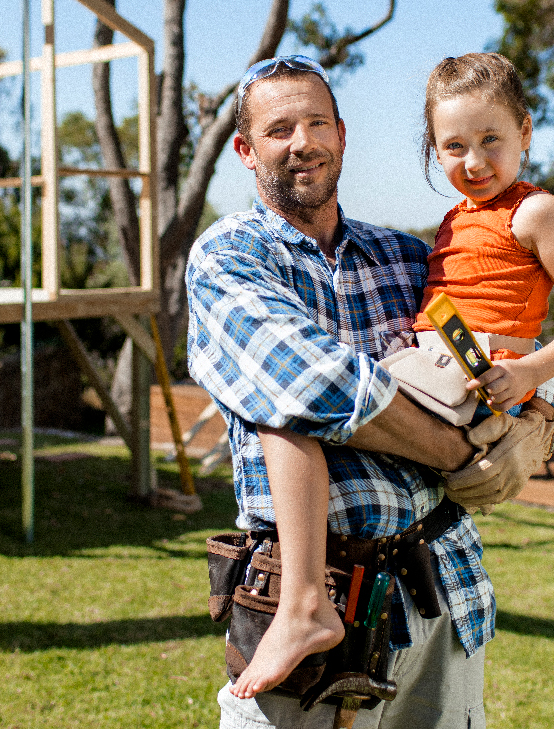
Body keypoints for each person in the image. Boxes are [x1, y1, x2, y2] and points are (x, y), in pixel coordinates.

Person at [227, 51, 554, 700]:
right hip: (442, 374)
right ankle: (303, 597)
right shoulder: (450, 225)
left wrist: (533, 384)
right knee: (298, 396)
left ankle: (301, 604)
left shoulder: (536, 212)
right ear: (435, 150)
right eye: (454, 145)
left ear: (526, 130)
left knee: (291, 406)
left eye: (492, 139)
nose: (474, 160)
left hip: (465, 383)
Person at [188, 55, 487, 727]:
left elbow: (496, 349)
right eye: (279, 128)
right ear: (245, 150)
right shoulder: (230, 256)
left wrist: (533, 411)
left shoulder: (410, 260)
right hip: (321, 593)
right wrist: (458, 452)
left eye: (317, 123)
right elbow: (312, 385)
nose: (303, 142)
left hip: (444, 588)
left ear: (343, 136)